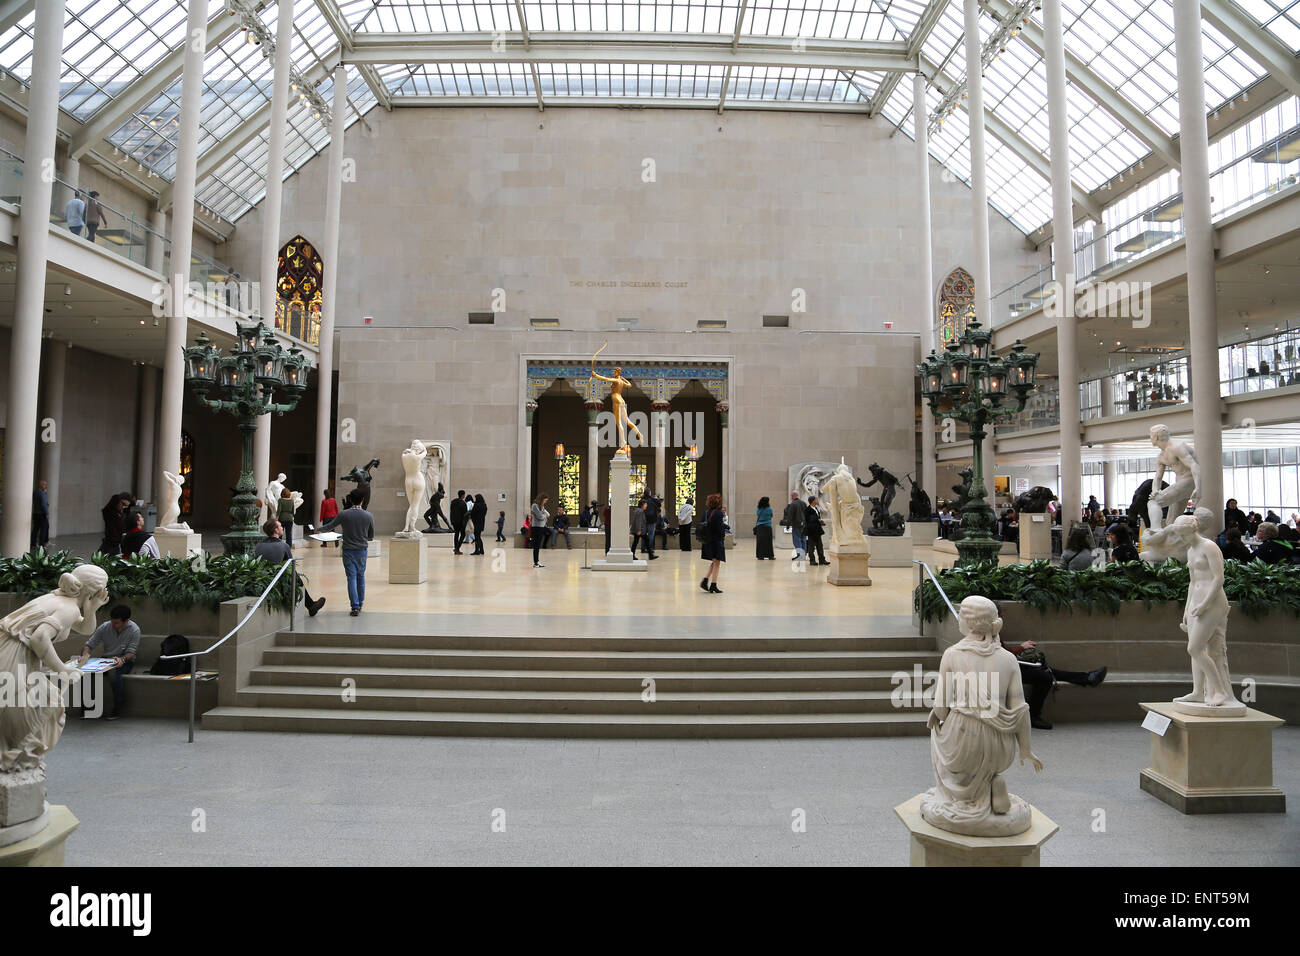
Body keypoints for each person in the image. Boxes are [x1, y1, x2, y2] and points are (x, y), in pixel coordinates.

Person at [999, 636, 1108, 730]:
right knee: (1045, 677)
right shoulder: (989, 627)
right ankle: (1033, 716)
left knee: (1045, 672)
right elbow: (1002, 652)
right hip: (1001, 671)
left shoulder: (992, 626)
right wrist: (1021, 648)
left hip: (1007, 667)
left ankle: (1087, 678)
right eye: (1000, 614)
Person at [78, 604, 140, 720]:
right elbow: (89, 644)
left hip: (125, 661)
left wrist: (121, 659)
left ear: (126, 621)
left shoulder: (134, 630)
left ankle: (118, 707)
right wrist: (84, 656)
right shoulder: (105, 627)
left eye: (117, 623)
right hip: (105, 660)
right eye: (112, 622)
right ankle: (87, 707)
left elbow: (131, 653)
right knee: (84, 673)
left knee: (114, 674)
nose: (114, 625)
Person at [318, 490, 375, 616]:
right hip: (361, 550)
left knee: (351, 578)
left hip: (348, 550)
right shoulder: (368, 516)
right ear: (362, 500)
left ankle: (354, 606)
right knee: (361, 577)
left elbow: (330, 526)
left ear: (350, 500)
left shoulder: (344, 514)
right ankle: (360, 603)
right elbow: (371, 536)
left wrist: (318, 529)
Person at [256, 519, 325, 616]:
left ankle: (311, 605)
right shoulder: (283, 545)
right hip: (277, 580)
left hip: (262, 578)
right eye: (280, 526)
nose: (282, 528)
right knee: (295, 577)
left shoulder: (258, 545)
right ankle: (310, 605)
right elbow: (291, 566)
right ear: (276, 530)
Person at [699, 493, 726, 594]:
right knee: (717, 562)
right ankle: (713, 585)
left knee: (715, 562)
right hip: (716, 541)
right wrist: (723, 534)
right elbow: (719, 528)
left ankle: (706, 581)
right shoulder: (718, 513)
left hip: (708, 541)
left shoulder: (706, 512)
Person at [804, 495, 828, 565]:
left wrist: (820, 521)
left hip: (817, 530)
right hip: (811, 531)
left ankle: (822, 560)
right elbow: (808, 520)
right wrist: (817, 519)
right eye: (816, 499)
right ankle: (812, 560)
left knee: (820, 546)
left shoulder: (816, 508)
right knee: (811, 547)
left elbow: (816, 518)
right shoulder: (807, 510)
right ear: (813, 501)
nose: (817, 500)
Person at [783, 492, 807, 561]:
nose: (791, 497)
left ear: (793, 496)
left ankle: (800, 555)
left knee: (797, 540)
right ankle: (803, 555)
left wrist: (788, 525)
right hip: (804, 525)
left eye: (791, 496)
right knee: (803, 540)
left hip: (796, 525)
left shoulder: (793, 504)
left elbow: (790, 516)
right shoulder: (803, 503)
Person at [530, 494, 550, 568]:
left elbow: (548, 514)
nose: (545, 502)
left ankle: (537, 561)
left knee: (538, 545)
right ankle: (535, 563)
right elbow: (540, 516)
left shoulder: (542, 506)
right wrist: (544, 515)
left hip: (541, 527)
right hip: (536, 527)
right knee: (536, 546)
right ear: (542, 499)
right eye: (545, 500)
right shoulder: (535, 506)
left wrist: (544, 514)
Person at [31, 479, 49, 551]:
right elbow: (43, 504)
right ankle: (42, 545)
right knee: (44, 529)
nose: (45, 486)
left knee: (35, 529)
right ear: (41, 485)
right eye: (44, 485)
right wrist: (47, 513)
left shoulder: (35, 492)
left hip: (36, 513)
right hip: (42, 514)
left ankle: (33, 544)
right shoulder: (42, 493)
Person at [450, 490, 469, 555]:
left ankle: (456, 548)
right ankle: (457, 548)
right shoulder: (463, 503)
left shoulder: (453, 501)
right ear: (463, 495)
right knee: (463, 534)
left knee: (456, 534)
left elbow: (451, 511)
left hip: (454, 521)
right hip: (460, 521)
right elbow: (465, 513)